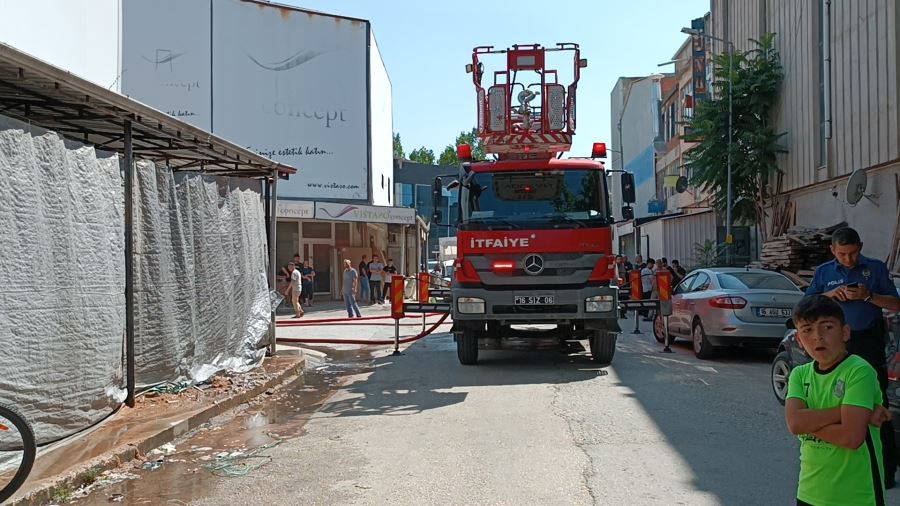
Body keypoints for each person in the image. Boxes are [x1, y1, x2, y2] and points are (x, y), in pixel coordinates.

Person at [805, 226, 900, 488]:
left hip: (867, 341)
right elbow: (806, 305)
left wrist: (868, 296)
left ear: (861, 246)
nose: (849, 259)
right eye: (843, 254)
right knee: (835, 401)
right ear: (833, 251)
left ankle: (886, 470)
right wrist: (828, 296)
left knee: (874, 402)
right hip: (832, 345)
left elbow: (896, 303)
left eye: (854, 253)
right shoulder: (824, 272)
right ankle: (838, 464)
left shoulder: (875, 268)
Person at [785, 295, 892, 505]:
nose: (818, 336)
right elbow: (795, 423)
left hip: (856, 496)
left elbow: (851, 438)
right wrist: (846, 412)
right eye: (807, 330)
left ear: (845, 332)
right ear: (799, 339)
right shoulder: (800, 374)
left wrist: (805, 423)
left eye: (827, 327)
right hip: (809, 492)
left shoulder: (859, 371)